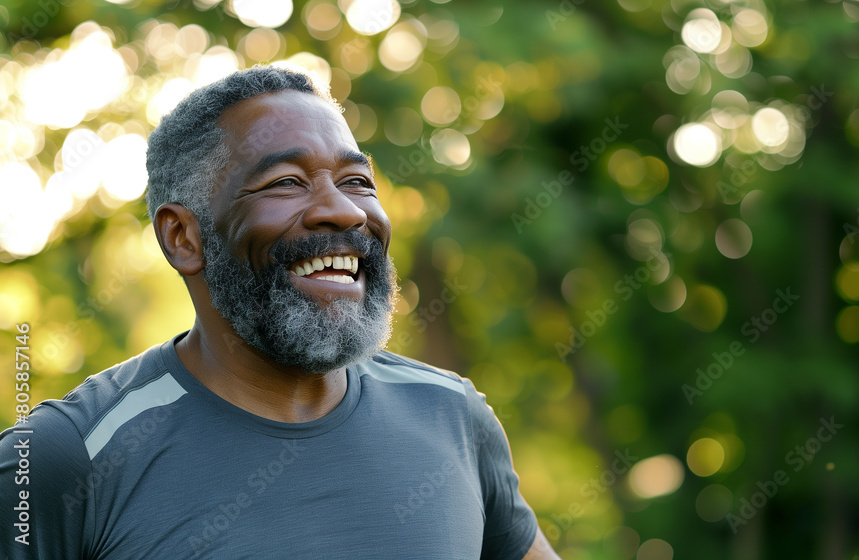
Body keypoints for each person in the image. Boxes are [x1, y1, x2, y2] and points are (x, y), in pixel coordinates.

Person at [0, 65, 559, 559]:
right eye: (285, 183)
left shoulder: (451, 415)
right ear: (183, 238)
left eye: (357, 181)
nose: (342, 211)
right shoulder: (61, 460)